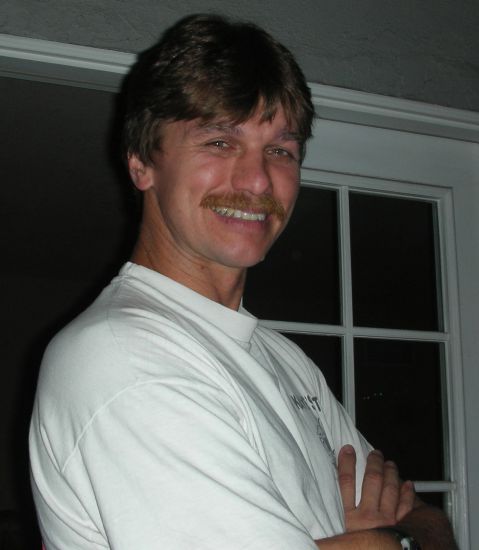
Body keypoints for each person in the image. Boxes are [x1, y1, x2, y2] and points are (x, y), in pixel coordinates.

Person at [29, 14, 457, 550]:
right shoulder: (124, 359)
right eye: (218, 142)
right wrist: (384, 541)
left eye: (280, 151)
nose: (257, 181)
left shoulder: (284, 361)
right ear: (142, 163)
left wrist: (405, 534)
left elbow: (430, 521)